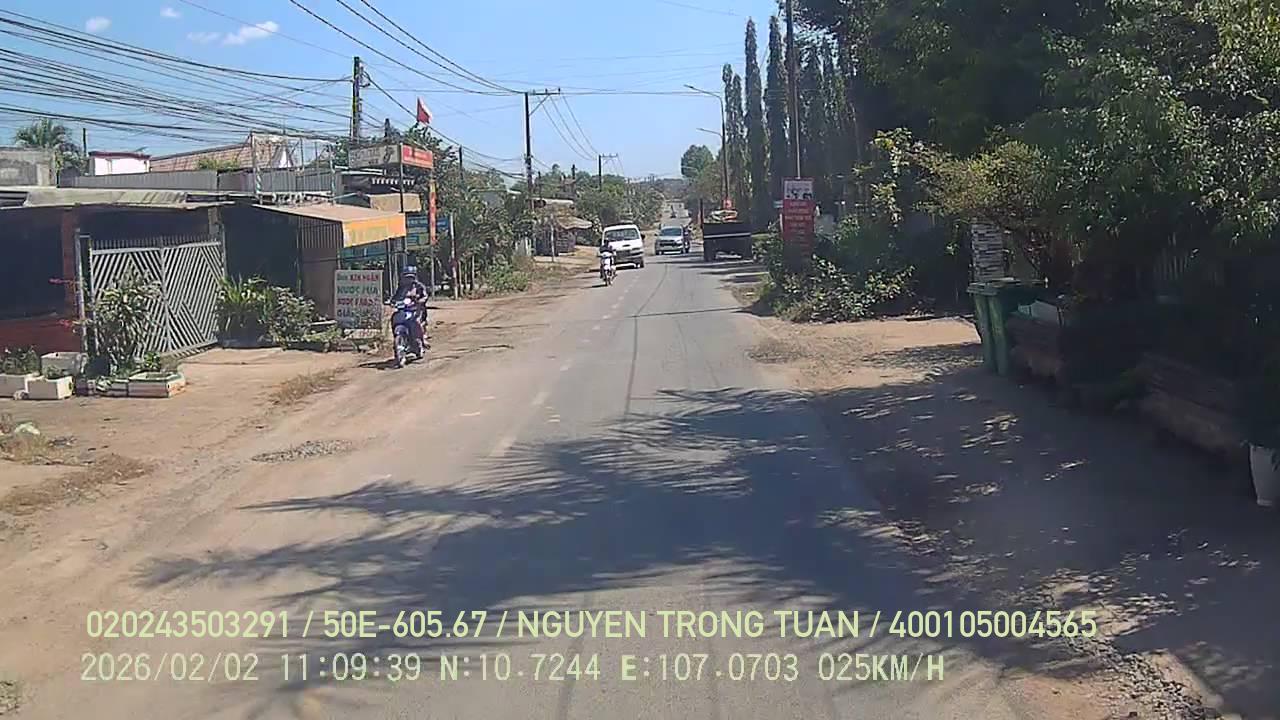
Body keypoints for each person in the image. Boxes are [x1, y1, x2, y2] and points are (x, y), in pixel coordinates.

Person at [391, 266, 429, 351]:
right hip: (404, 310)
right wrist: (391, 302)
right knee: (394, 318)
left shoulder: (419, 286)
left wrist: (420, 301)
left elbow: (425, 296)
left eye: (410, 277)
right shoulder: (401, 287)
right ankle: (399, 338)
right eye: (406, 277)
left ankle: (422, 340)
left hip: (417, 310)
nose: (408, 279)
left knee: (416, 322)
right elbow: (395, 297)